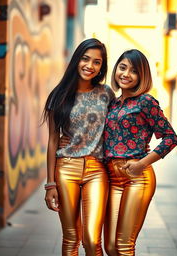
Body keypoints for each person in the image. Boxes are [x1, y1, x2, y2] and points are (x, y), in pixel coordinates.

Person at [42, 38, 115, 256]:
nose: (89, 66)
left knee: (92, 240)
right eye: (85, 59)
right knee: (71, 237)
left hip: (97, 170)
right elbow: (53, 140)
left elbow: (116, 126)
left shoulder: (106, 94)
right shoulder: (60, 95)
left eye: (97, 62)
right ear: (76, 60)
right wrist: (50, 184)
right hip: (66, 168)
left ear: (101, 67)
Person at [103, 49, 177, 256]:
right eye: (123, 67)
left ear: (142, 76)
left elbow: (171, 138)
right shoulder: (112, 103)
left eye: (134, 71)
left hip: (137, 177)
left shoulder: (146, 101)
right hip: (112, 177)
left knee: (124, 246)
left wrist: (142, 163)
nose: (126, 74)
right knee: (110, 247)